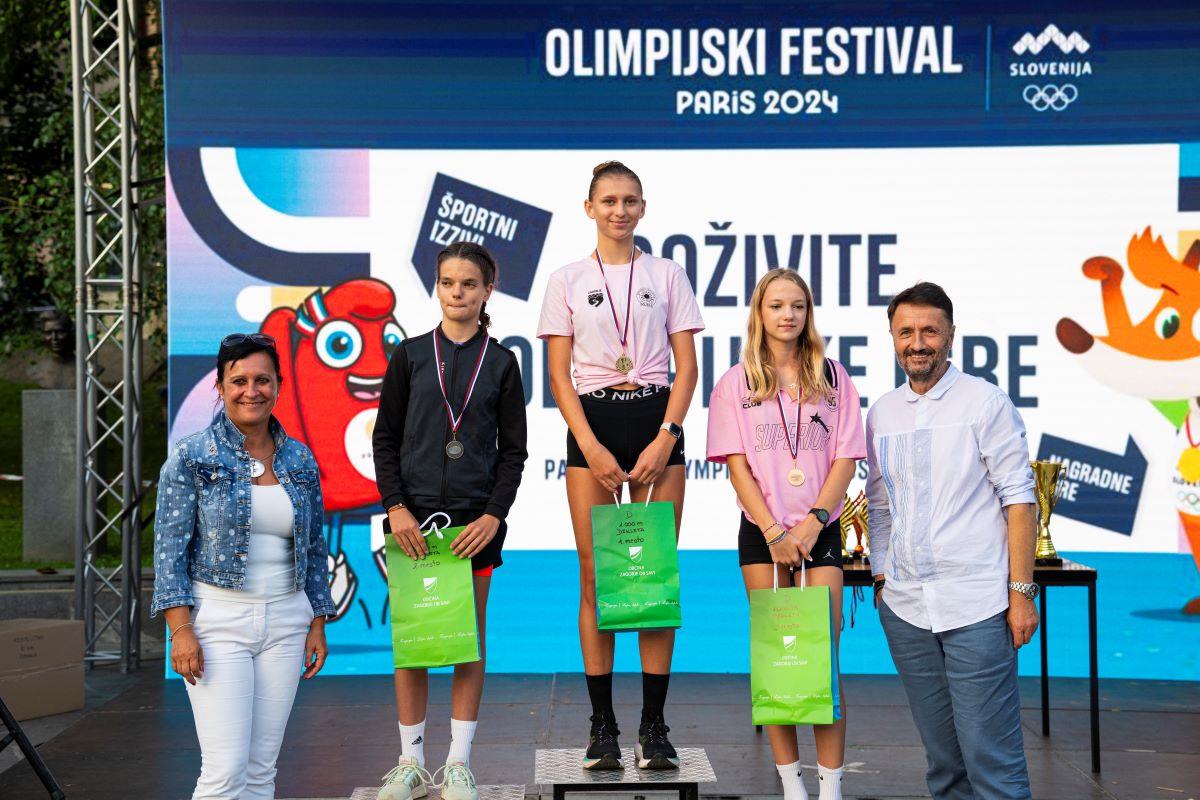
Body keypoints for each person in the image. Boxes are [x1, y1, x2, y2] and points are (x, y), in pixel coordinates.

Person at [537, 160, 704, 770]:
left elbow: (687, 368)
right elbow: (559, 376)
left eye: (630, 200)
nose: (620, 210)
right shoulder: (566, 279)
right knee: (596, 576)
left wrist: (666, 437)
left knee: (654, 574)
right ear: (589, 208)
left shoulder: (667, 273)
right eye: (608, 200)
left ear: (643, 207)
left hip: (657, 423)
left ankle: (653, 726)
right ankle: (602, 726)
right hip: (593, 427)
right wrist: (590, 445)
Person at [866, 282, 1039, 800]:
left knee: (994, 764)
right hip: (906, 610)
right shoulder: (881, 413)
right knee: (943, 765)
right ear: (892, 337)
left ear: (951, 335)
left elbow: (1020, 500)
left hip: (978, 608)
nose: (917, 343)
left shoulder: (986, 403)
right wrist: (881, 578)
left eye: (930, 331)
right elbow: (879, 505)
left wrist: (1021, 594)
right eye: (906, 332)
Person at [373, 241, 529, 800]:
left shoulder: (503, 362)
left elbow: (514, 453)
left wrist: (493, 516)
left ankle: (458, 764)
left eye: (468, 284)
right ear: (436, 287)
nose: (457, 293)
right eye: (447, 283)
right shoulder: (409, 355)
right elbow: (385, 439)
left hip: (472, 526)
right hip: (412, 523)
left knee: (468, 641)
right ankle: (410, 763)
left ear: (487, 290)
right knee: (413, 641)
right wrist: (396, 507)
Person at [151, 333, 335, 800]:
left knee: (260, 770)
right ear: (220, 386)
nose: (251, 391)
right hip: (217, 623)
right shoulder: (192, 456)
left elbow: (314, 547)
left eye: (262, 380)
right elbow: (169, 550)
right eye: (238, 381)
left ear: (279, 385)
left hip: (288, 622)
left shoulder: (299, 457)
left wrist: (317, 621)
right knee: (225, 770)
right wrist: (180, 630)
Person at [706, 269, 864, 800]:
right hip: (762, 536)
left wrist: (812, 522)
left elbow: (846, 458)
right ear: (759, 312)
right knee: (778, 658)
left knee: (822, 660)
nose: (787, 315)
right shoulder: (736, 383)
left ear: (808, 313)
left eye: (797, 305)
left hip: (820, 531)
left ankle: (831, 788)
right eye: (776, 305)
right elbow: (737, 468)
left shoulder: (834, 377)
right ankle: (792, 785)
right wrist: (775, 532)